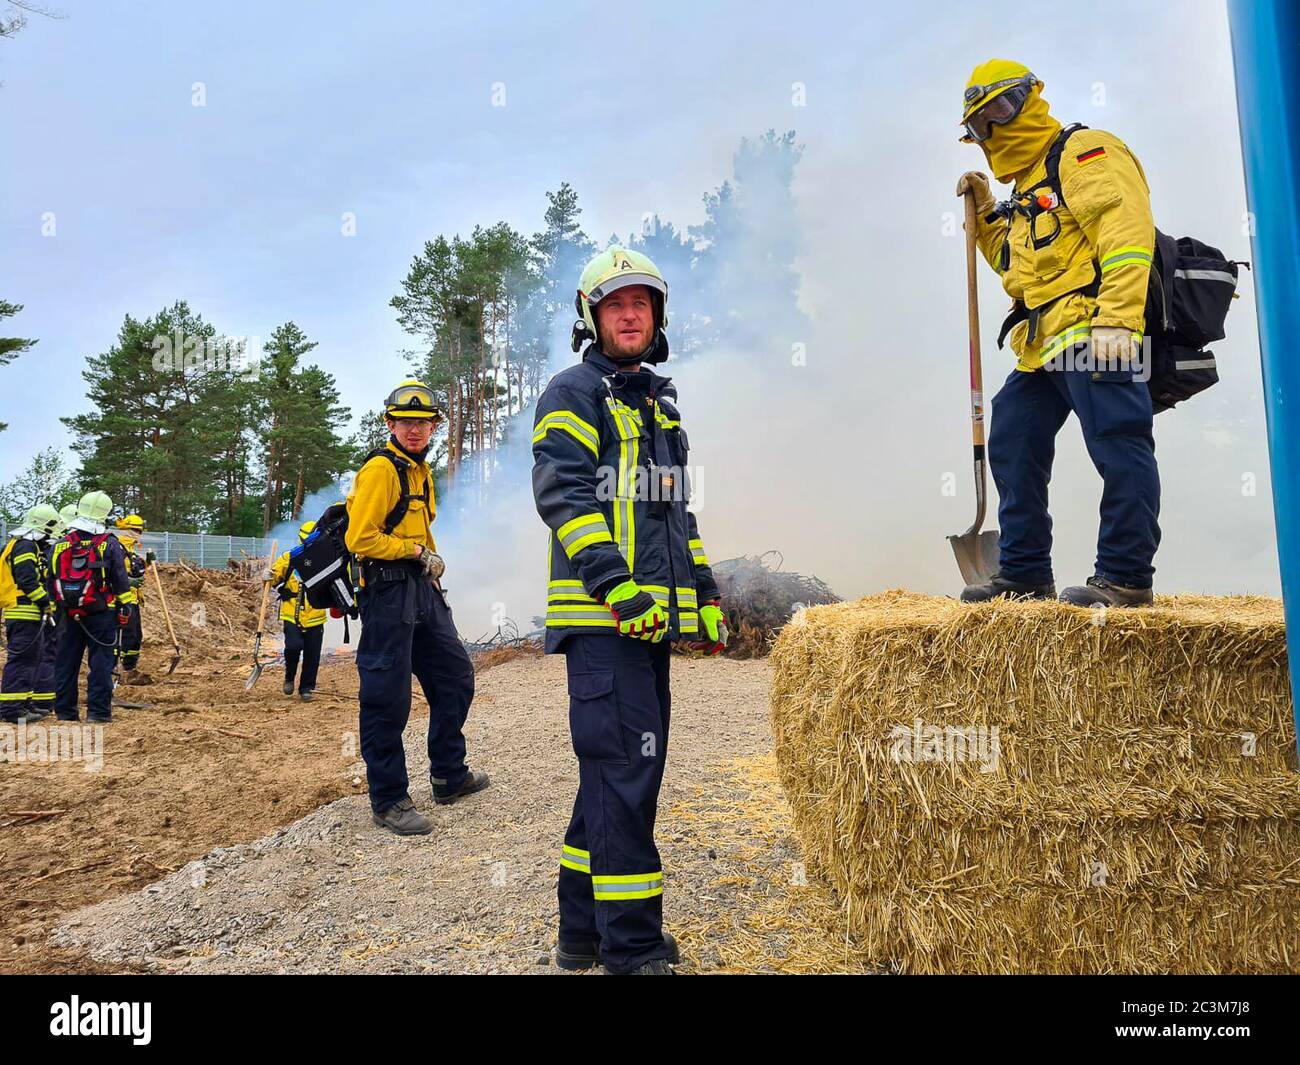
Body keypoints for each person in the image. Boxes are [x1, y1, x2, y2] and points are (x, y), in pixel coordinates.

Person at [531, 246, 728, 975]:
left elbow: (678, 521)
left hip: (646, 629)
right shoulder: (573, 391)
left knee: (609, 781)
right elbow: (564, 498)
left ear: (659, 314)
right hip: (605, 625)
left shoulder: (659, 409)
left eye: (641, 302)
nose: (630, 313)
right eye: (615, 304)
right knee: (624, 777)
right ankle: (632, 948)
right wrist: (617, 587)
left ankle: (582, 935)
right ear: (591, 316)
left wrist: (703, 596)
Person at [955, 59, 1160, 607]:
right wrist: (988, 220)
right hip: (1042, 343)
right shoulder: (1027, 187)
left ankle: (1124, 576)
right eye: (980, 126)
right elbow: (1018, 270)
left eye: (1001, 111)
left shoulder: (1084, 152)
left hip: (1098, 329)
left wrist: (1118, 318)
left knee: (1118, 444)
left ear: (1031, 97)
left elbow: (1126, 233)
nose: (994, 131)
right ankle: (1024, 573)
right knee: (1013, 438)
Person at [345, 381, 488, 835]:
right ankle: (388, 799)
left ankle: (448, 774)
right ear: (390, 423)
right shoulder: (382, 470)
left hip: (421, 589)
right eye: (405, 422)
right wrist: (414, 553)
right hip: (387, 593)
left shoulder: (420, 471)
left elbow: (419, 530)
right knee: (388, 696)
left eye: (423, 423)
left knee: (455, 676)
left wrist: (429, 560)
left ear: (433, 428)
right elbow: (359, 538)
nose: (414, 430)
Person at [51, 491, 131, 724]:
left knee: (66, 663)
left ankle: (65, 712)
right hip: (101, 613)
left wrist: (58, 607)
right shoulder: (109, 543)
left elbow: (50, 578)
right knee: (101, 664)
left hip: (67, 613)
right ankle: (98, 713)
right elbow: (120, 579)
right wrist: (125, 606)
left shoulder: (60, 544)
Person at [0, 504, 63, 723]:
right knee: (21, 660)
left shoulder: (25, 544)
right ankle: (11, 710)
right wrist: (45, 601)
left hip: (28, 613)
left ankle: (23, 705)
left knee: (31, 660)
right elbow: (26, 579)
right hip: (24, 611)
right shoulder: (25, 546)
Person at [268, 520, 326, 701]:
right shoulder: (289, 558)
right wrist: (269, 576)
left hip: (316, 615)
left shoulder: (324, 561)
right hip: (291, 613)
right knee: (293, 646)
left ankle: (306, 688)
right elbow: (275, 575)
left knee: (312, 654)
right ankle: (289, 677)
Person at [111, 514, 151, 676]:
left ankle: (130, 667)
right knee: (122, 635)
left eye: (139, 531)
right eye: (136, 530)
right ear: (126, 530)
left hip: (133, 599)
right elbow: (113, 574)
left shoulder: (130, 549)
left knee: (135, 635)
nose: (138, 534)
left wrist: (147, 562)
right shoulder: (117, 548)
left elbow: (135, 569)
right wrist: (129, 582)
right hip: (119, 599)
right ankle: (114, 668)